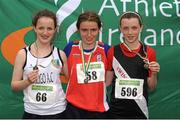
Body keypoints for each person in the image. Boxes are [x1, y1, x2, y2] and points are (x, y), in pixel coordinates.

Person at [11, 9, 68, 119]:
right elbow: (14, 86)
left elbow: (73, 80)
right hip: (32, 113)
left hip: (58, 112)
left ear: (55, 30)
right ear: (34, 28)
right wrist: (27, 81)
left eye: (49, 28)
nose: (45, 33)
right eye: (41, 28)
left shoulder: (60, 54)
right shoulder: (23, 54)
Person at [106, 11, 160, 119]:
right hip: (116, 112)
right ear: (120, 29)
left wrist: (154, 73)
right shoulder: (113, 51)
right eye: (125, 28)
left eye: (134, 28)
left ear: (141, 28)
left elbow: (152, 87)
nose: (130, 32)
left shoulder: (149, 52)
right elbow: (107, 82)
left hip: (139, 111)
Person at [63, 11, 110, 119]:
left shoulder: (106, 49)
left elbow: (108, 80)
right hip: (73, 110)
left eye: (93, 30)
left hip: (99, 110)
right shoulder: (70, 48)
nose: (89, 35)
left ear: (99, 29)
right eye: (84, 30)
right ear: (78, 30)